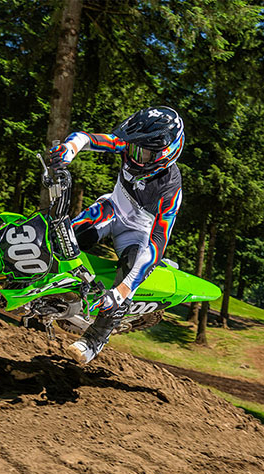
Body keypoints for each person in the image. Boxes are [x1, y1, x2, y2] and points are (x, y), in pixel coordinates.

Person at [48, 106, 184, 364]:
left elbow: (158, 242)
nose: (132, 155)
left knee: (130, 273)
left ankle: (94, 340)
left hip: (137, 233)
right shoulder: (130, 147)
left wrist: (121, 290)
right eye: (132, 147)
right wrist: (69, 149)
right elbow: (87, 138)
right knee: (61, 239)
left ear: (165, 153)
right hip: (111, 210)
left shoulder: (171, 188)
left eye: (142, 152)